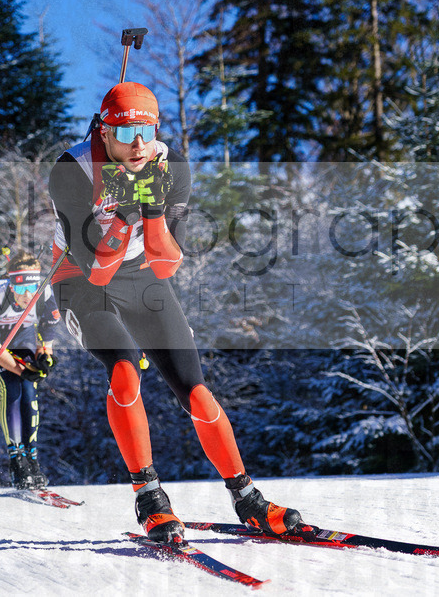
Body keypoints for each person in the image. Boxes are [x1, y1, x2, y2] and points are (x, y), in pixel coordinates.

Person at [48, 81, 315, 544]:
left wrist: (151, 212)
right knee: (126, 372)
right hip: (80, 278)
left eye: (147, 131)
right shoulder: (72, 169)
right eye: (126, 133)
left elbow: (167, 261)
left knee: (196, 392)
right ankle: (150, 498)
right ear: (103, 131)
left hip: (143, 274)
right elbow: (96, 269)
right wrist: (125, 213)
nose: (138, 145)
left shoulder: (170, 166)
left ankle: (248, 499)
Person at [0, 251, 61, 490]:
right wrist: (21, 370)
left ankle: (31, 458)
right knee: (12, 387)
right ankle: (16, 459)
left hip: (23, 341)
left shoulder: (44, 295)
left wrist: (45, 358)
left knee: (29, 390)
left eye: (31, 288)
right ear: (10, 284)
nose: (26, 295)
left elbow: (46, 339)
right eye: (20, 288)